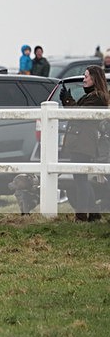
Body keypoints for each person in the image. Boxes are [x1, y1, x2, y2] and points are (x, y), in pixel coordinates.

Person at [60, 65, 109, 222]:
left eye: (86, 76)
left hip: (83, 143)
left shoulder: (97, 97)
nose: (84, 79)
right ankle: (94, 214)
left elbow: (79, 114)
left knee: (80, 180)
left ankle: (81, 216)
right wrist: (69, 100)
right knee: (81, 179)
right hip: (81, 142)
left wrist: (67, 100)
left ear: (94, 78)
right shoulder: (92, 96)